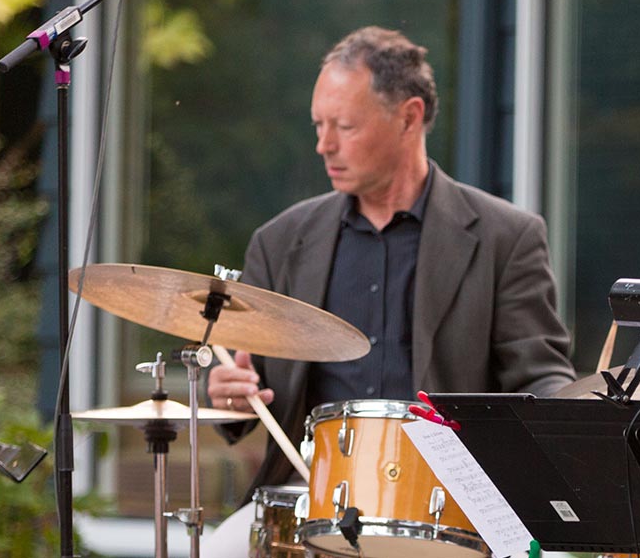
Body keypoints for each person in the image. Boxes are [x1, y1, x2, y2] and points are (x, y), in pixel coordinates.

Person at [202, 27, 576, 548]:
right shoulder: (281, 241)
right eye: (318, 125)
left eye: (345, 126)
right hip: (307, 497)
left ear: (409, 117)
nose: (323, 145)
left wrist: (584, 417)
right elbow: (242, 388)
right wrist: (228, 396)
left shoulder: (506, 237)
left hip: (452, 506)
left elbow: (541, 379)